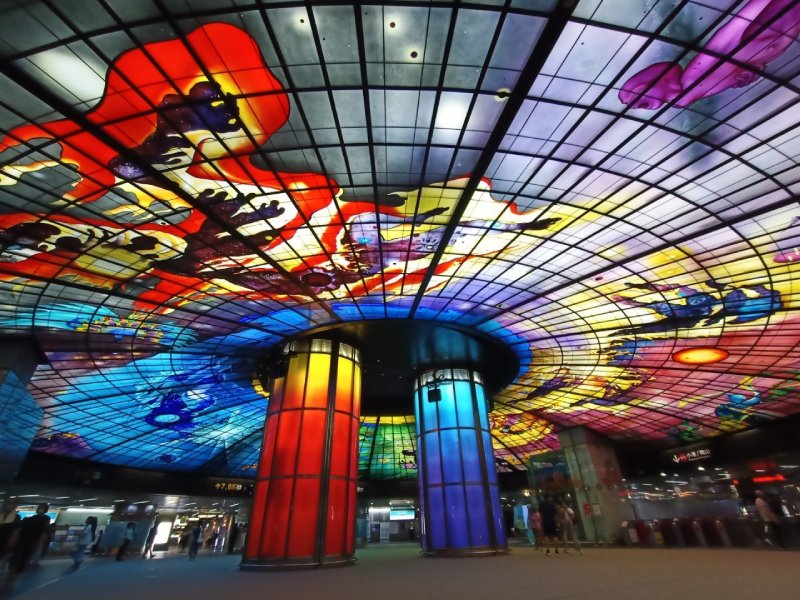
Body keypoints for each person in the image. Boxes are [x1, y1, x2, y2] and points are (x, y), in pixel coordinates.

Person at [3, 503, 51, 591]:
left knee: (19, 560)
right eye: (39, 508)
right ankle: (11, 578)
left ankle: (11, 577)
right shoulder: (34, 520)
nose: (39, 509)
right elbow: (43, 533)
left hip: (27, 543)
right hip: (25, 543)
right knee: (20, 560)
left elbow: (43, 533)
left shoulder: (35, 519)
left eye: (41, 508)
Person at [0, 498, 20, 563]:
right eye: (8, 503)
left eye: (11, 504)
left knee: (2, 556)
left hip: (6, 540)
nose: (9, 505)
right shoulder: (1, 515)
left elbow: (16, 531)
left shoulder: (16, 517)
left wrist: (11, 541)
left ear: (14, 506)